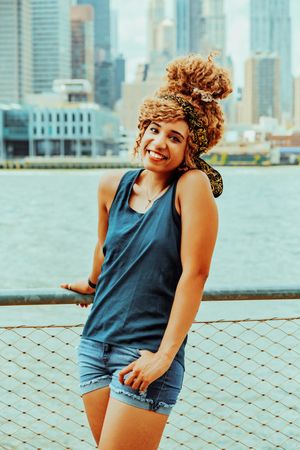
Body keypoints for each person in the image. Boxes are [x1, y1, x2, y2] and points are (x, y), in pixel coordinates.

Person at [61, 54, 232, 450]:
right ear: (141, 131)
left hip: (145, 352)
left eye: (175, 137)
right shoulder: (111, 184)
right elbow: (106, 248)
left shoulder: (191, 187)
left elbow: (195, 274)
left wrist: (163, 356)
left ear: (191, 148)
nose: (159, 143)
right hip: (94, 345)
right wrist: (90, 283)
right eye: (154, 130)